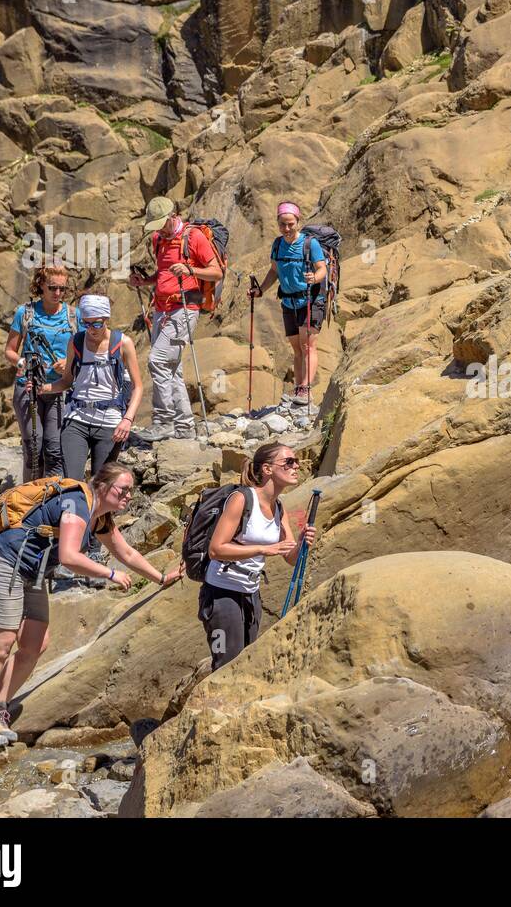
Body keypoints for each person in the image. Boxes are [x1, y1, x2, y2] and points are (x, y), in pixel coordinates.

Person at [0, 463, 183, 750]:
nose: (128, 496)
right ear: (102, 486)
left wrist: (161, 578)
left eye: (131, 490)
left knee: (35, 643)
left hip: (31, 573)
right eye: (123, 489)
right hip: (3, 564)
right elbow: (68, 556)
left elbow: (125, 551)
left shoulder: (99, 517)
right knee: (0, 645)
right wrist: (109, 574)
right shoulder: (77, 503)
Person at [201, 443, 317, 670]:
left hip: (251, 594)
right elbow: (216, 549)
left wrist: (302, 541)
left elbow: (291, 557)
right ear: (267, 469)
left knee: (246, 662)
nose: (296, 467)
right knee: (226, 662)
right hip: (221, 594)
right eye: (289, 462)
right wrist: (262, 550)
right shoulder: (242, 499)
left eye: (296, 462)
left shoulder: (278, 508)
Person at [128, 196, 222, 441]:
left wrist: (190, 270)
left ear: (172, 217)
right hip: (161, 311)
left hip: (185, 309)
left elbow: (216, 273)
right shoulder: (159, 239)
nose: (158, 229)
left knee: (157, 361)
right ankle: (184, 426)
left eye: (161, 223)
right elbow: (163, 274)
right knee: (172, 370)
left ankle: (163, 421)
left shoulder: (194, 237)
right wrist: (145, 281)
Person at [38, 294, 143, 482]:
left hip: (110, 422)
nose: (92, 330)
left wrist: (127, 419)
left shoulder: (123, 343)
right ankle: (72, 510)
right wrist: (44, 388)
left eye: (97, 324)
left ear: (106, 320)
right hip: (76, 419)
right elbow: (67, 381)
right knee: (72, 483)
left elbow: (138, 387)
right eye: (86, 324)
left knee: (100, 485)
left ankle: (101, 513)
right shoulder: (76, 342)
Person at [3, 262, 79, 482]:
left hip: (59, 390)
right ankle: (30, 498)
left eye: (62, 289)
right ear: (41, 286)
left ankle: (54, 496)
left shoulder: (74, 316)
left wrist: (68, 362)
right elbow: (10, 351)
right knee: (34, 448)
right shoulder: (25, 313)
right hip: (28, 389)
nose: (58, 293)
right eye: (53, 287)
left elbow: (85, 351)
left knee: (54, 449)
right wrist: (23, 364)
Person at [250, 202, 328, 413]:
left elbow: (322, 269)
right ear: (277, 223)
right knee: (296, 348)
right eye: (282, 224)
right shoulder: (277, 244)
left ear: (298, 222)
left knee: (307, 346)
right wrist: (261, 290)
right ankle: (298, 388)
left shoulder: (309, 244)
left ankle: (306, 389)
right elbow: (274, 271)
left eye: (290, 224)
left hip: (310, 300)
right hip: (288, 302)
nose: (286, 228)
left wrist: (314, 277)